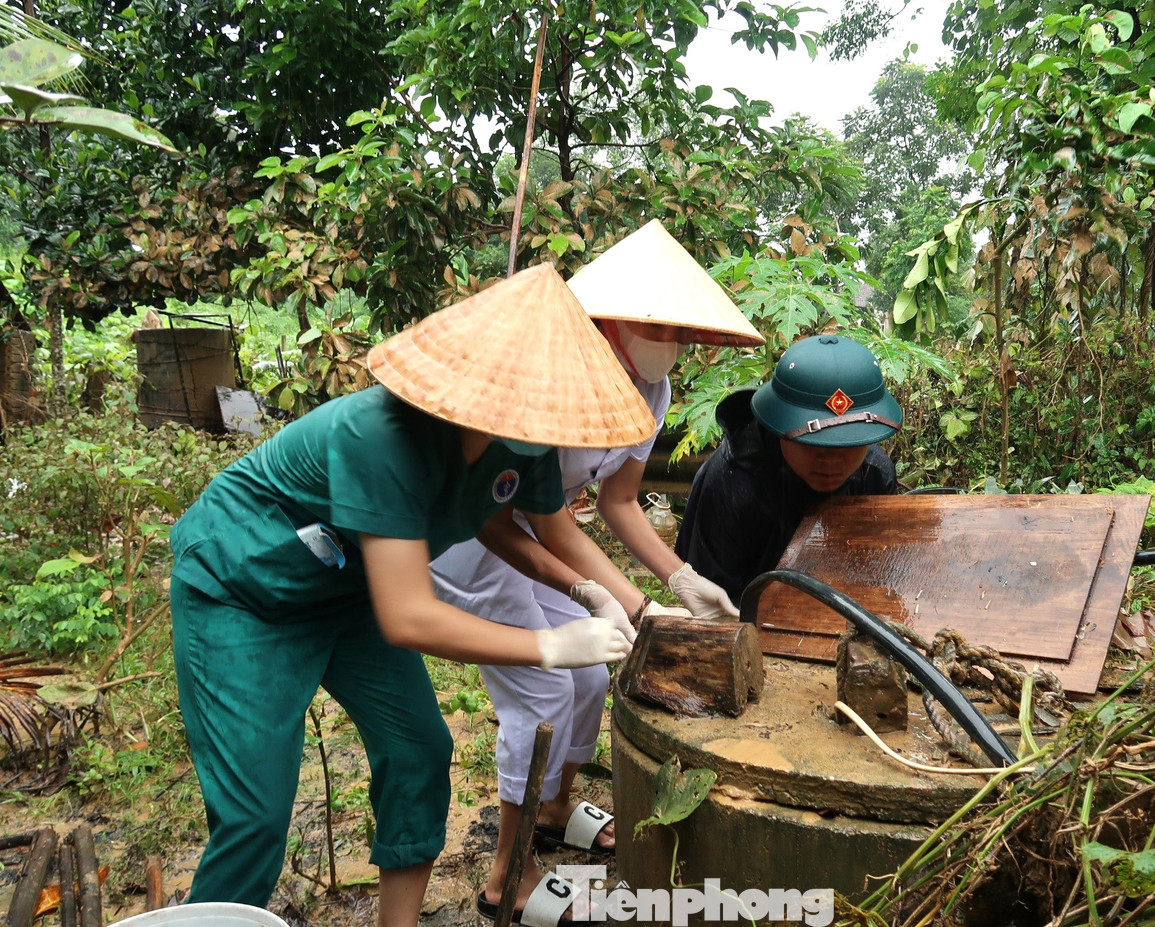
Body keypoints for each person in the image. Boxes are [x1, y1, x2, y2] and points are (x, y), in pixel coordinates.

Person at [167, 263, 656, 927]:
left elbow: (497, 517)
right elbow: (407, 615)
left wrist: (588, 589)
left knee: (419, 750)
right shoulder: (382, 435)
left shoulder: (528, 437)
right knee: (254, 813)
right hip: (244, 586)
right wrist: (549, 642)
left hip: (346, 590)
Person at [428, 220, 765, 922]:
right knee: (543, 691)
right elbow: (545, 518)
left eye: (679, 329)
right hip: (474, 540)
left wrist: (680, 578)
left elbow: (616, 500)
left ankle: (553, 809)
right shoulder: (558, 375)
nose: (666, 341)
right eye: (652, 323)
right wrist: (631, 601)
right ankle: (505, 878)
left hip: (537, 538)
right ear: (605, 317)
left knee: (589, 674)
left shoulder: (655, 392)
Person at [675, 333, 902, 606]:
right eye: (812, 444)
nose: (830, 460)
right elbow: (713, 596)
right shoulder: (731, 481)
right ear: (778, 427)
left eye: (846, 445)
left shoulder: (874, 475)